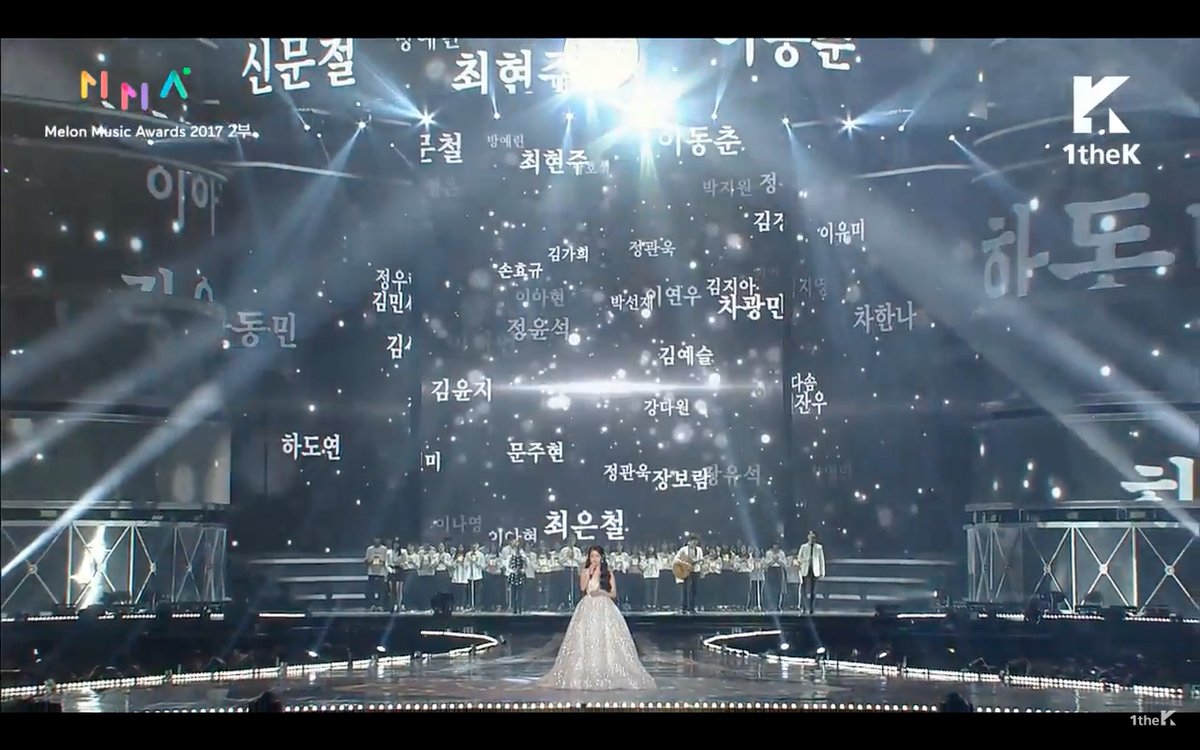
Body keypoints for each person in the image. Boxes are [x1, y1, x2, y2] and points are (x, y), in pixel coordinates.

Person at [537, 545, 656, 691]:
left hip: (605, 607)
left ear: (602, 557)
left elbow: (613, 594)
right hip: (587, 606)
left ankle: (607, 669)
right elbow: (582, 588)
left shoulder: (608, 572)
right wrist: (588, 573)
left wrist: (601, 592)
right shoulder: (585, 570)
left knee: (606, 638)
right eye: (592, 556)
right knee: (586, 638)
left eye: (597, 556)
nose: (594, 559)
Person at [797, 531, 826, 613]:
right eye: (811, 537)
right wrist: (806, 560)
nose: (812, 539)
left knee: (813, 591)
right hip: (805, 570)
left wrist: (822, 571)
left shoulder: (819, 547)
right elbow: (799, 558)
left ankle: (812, 609)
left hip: (815, 571)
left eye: (813, 538)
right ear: (808, 538)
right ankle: (804, 607)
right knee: (804, 590)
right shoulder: (803, 547)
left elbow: (821, 560)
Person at [674, 536, 702, 614]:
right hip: (686, 571)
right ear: (689, 541)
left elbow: (701, 560)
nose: (694, 543)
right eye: (693, 541)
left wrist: (698, 562)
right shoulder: (683, 549)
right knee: (685, 589)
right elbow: (677, 558)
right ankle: (684, 607)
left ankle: (692, 607)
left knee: (694, 590)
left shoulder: (699, 550)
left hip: (696, 571)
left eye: (696, 541)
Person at [364, 538, 389, 612]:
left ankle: (380, 605)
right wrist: (370, 561)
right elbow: (366, 561)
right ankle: (373, 605)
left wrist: (381, 561)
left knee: (382, 590)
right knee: (370, 590)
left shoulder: (384, 549)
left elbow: (387, 561)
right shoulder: (369, 549)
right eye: (375, 539)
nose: (376, 541)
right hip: (372, 572)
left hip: (381, 573)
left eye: (378, 539)